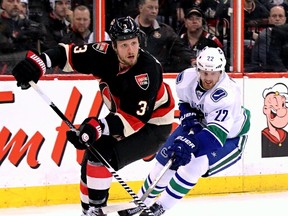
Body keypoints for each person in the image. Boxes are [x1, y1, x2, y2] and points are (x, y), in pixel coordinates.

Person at [11, 16, 175, 216]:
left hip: (153, 126)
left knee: (101, 154)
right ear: (113, 45)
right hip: (125, 118)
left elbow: (132, 121)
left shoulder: (147, 70)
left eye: (134, 43)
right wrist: (39, 63)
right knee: (89, 159)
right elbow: (66, 54)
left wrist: (96, 128)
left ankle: (97, 210)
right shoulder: (102, 53)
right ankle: (87, 211)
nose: (131, 50)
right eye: (124, 45)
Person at [120, 46, 251, 216]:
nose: (208, 78)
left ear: (221, 71)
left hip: (229, 138)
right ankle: (140, 201)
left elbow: (215, 137)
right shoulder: (186, 78)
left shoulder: (226, 94)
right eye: (204, 72)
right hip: (200, 125)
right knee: (166, 157)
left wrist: (189, 144)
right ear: (197, 69)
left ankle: (161, 206)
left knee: (195, 164)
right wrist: (187, 113)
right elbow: (184, 101)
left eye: (213, 73)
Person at [135, 0, 194, 73]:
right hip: (135, 75)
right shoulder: (130, 30)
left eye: (156, 8)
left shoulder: (165, 30)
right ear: (140, 8)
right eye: (150, 7)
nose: (154, 11)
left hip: (158, 74)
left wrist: (192, 59)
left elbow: (181, 48)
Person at [249, 5, 286, 72]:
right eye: (274, 16)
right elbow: (268, 60)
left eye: (280, 16)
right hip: (264, 72)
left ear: (285, 19)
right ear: (269, 19)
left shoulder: (284, 34)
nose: (277, 19)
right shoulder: (264, 36)